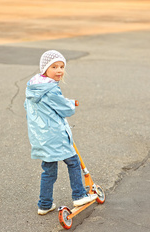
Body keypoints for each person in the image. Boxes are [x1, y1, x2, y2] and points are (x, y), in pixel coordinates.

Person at [25, 50, 97, 215]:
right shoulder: (50, 89)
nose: (59, 70)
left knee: (48, 169)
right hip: (55, 135)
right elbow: (64, 109)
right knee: (73, 161)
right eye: (54, 67)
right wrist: (72, 103)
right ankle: (79, 195)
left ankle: (44, 204)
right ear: (45, 69)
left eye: (62, 66)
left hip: (41, 136)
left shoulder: (33, 87)